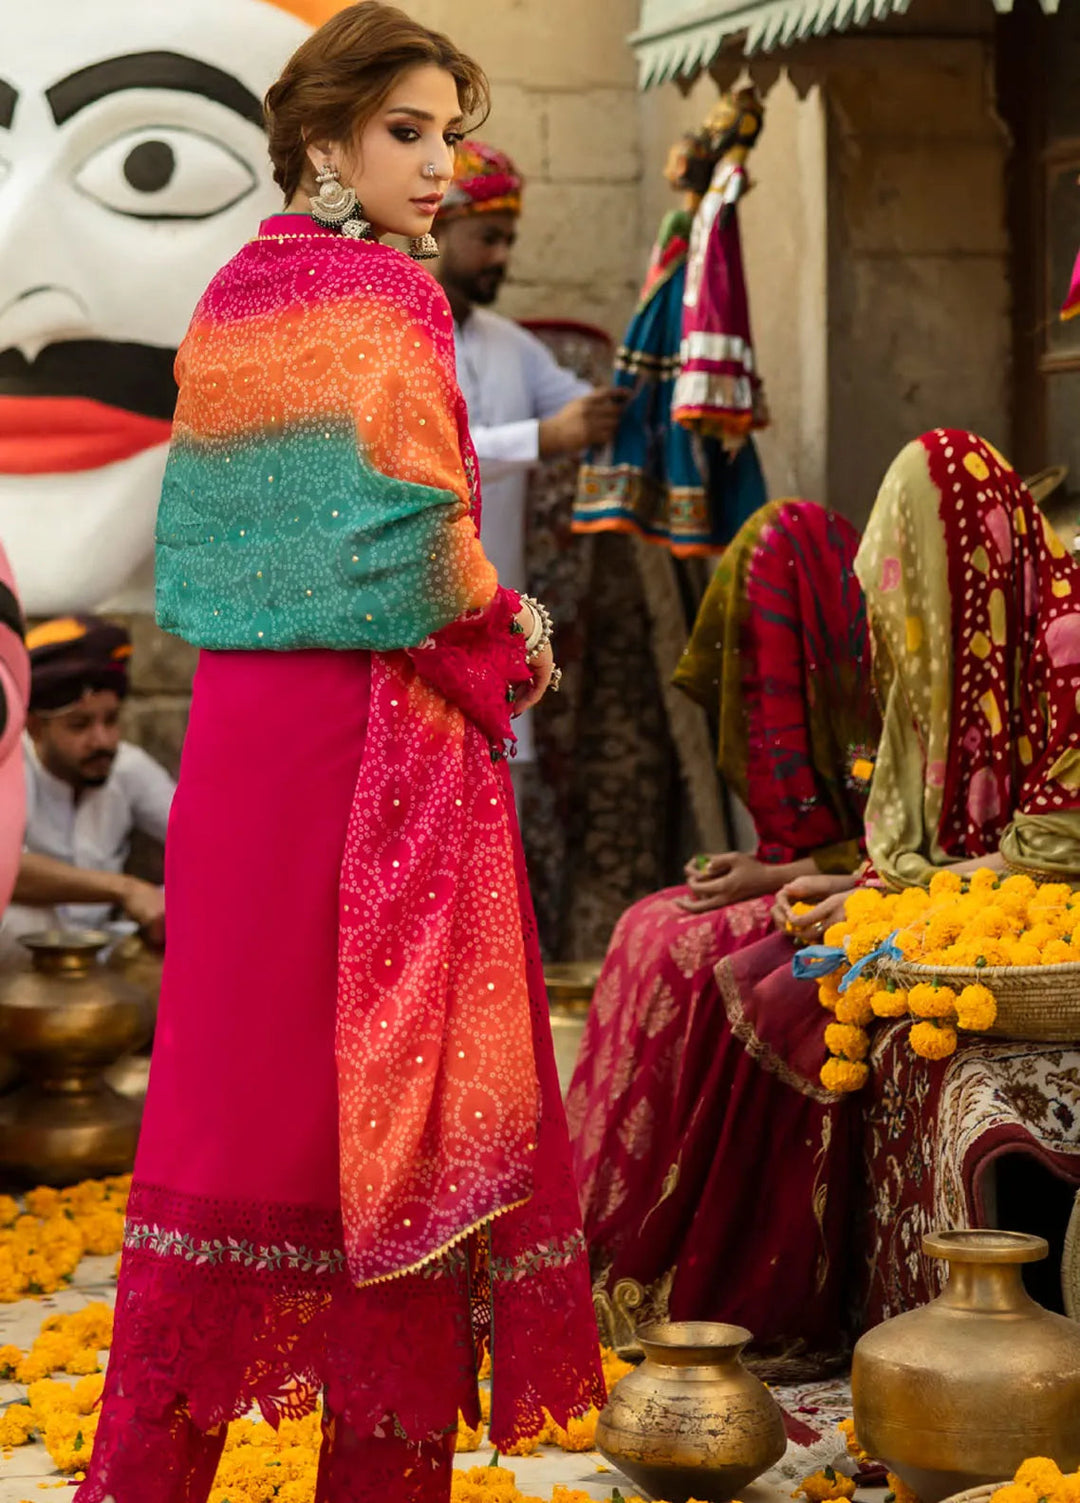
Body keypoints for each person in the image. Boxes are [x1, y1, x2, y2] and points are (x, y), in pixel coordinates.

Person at [77, 7, 603, 1501]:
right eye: (406, 133)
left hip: (243, 750)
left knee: (229, 1116)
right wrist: (516, 636)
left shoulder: (231, 299)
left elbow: (230, 545)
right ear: (323, 142)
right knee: (392, 1118)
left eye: (449, 136)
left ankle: (148, 1470)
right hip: (369, 750)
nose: (442, 166)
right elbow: (411, 555)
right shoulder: (390, 297)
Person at [710, 428, 1080, 1365]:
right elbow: (975, 849)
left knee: (796, 991)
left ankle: (825, 1316)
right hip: (997, 898)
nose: (905, 618)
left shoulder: (1068, 639)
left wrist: (895, 894)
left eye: (918, 580)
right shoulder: (993, 628)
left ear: (966, 560)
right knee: (779, 969)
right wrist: (860, 884)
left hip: (1049, 906)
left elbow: (1052, 851)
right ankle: (793, 1313)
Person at [566, 499, 879, 1369]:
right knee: (646, 923)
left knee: (686, 949)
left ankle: (682, 1246)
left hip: (865, 891)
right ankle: (593, 1233)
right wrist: (764, 864)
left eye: (767, 645)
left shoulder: (888, 669)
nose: (756, 679)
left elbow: (895, 846)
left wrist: (774, 876)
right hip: (807, 873)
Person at [432, 142, 625, 799]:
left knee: (499, 815)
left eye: (509, 240)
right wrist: (544, 438)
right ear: (438, 227)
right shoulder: (396, 337)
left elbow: (584, 408)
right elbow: (426, 460)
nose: (502, 257)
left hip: (495, 624)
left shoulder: (510, 344)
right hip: (418, 627)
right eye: (488, 238)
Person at [4, 616, 172, 947]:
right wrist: (125, 889)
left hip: (104, 957)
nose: (102, 741)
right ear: (35, 728)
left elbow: (206, 835)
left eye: (111, 720)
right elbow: (6, 867)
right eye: (80, 725)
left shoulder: (127, 766)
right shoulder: (11, 770)